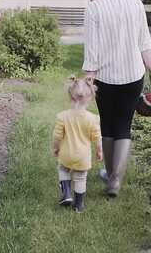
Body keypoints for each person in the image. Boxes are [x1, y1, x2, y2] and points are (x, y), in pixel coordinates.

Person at [81, 0, 151, 197]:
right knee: (124, 124)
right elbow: (144, 40)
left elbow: (92, 50)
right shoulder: (135, 2)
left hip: (105, 78)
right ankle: (115, 180)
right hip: (134, 75)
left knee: (107, 124)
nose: (90, 0)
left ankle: (109, 172)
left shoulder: (94, 9)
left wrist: (89, 79)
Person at [53, 76, 103, 212]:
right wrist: (99, 151)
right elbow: (97, 138)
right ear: (91, 98)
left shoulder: (62, 116)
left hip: (66, 154)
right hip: (83, 156)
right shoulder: (93, 119)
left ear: (70, 96)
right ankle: (79, 205)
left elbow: (57, 136)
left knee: (63, 169)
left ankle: (67, 192)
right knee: (80, 178)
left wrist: (56, 148)